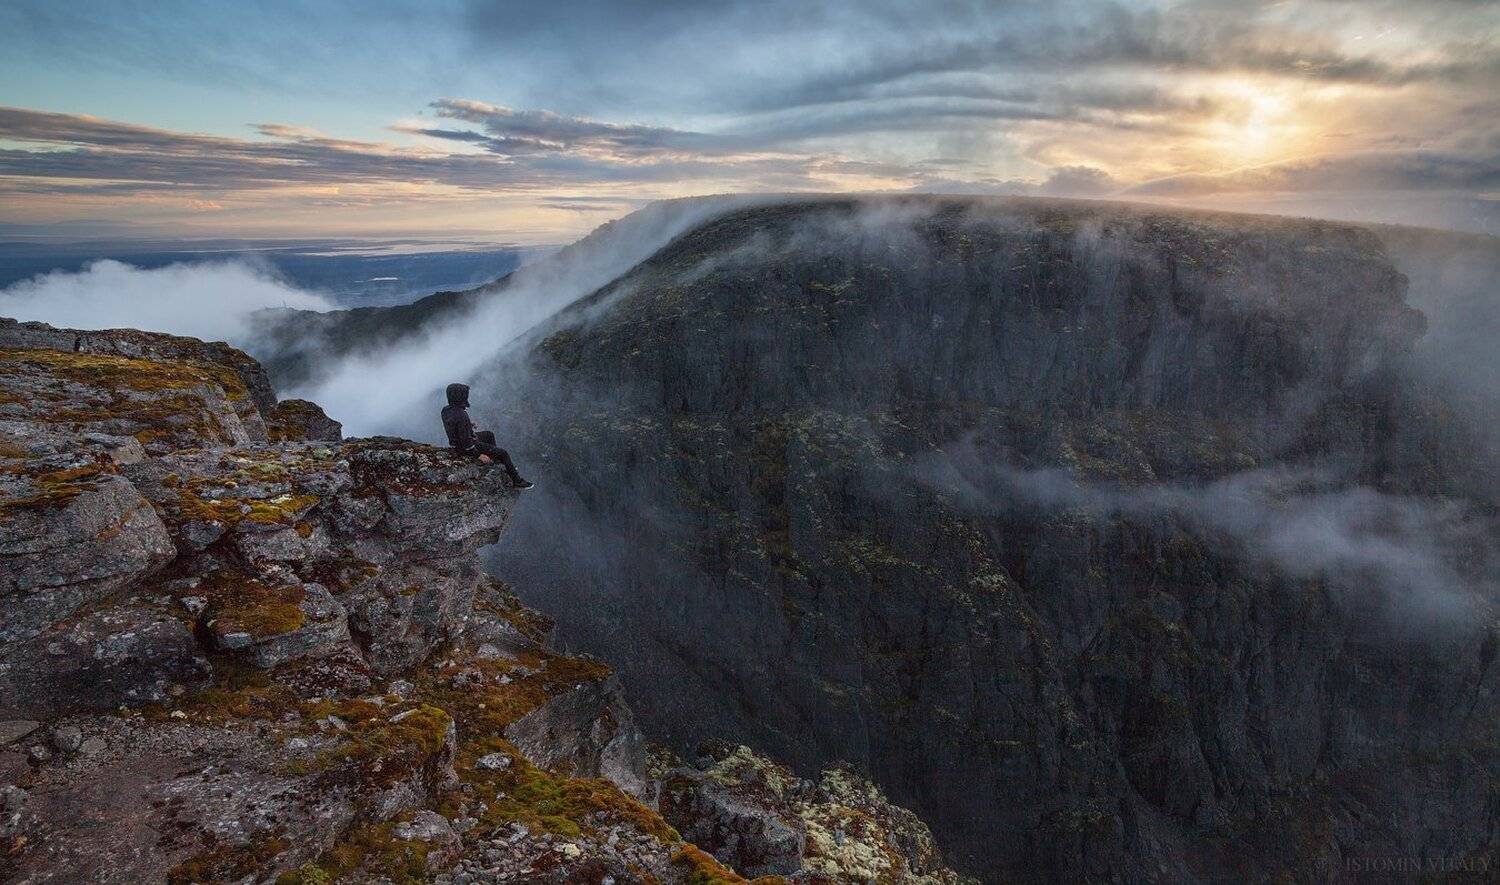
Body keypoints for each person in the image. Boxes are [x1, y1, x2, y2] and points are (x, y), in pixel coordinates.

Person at [441, 382, 534, 489]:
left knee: (489, 435)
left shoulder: (446, 410)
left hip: (456, 443)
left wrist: (468, 424)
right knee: (503, 453)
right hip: (465, 446)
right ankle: (517, 481)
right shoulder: (462, 415)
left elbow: (454, 425)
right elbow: (466, 442)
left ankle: (495, 461)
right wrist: (478, 455)